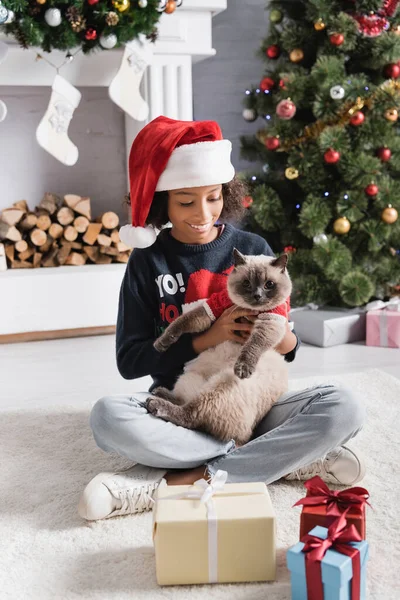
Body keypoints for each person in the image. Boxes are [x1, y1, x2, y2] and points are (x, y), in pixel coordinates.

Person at [78, 116, 366, 521]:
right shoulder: (148, 261)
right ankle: (274, 459)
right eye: (185, 201)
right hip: (179, 404)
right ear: (163, 201)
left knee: (346, 406)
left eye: (214, 197)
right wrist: (206, 338)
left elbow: (290, 348)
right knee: (107, 417)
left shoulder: (253, 248)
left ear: (227, 194)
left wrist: (281, 337)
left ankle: (178, 479)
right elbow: (130, 362)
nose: (203, 213)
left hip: (254, 402)